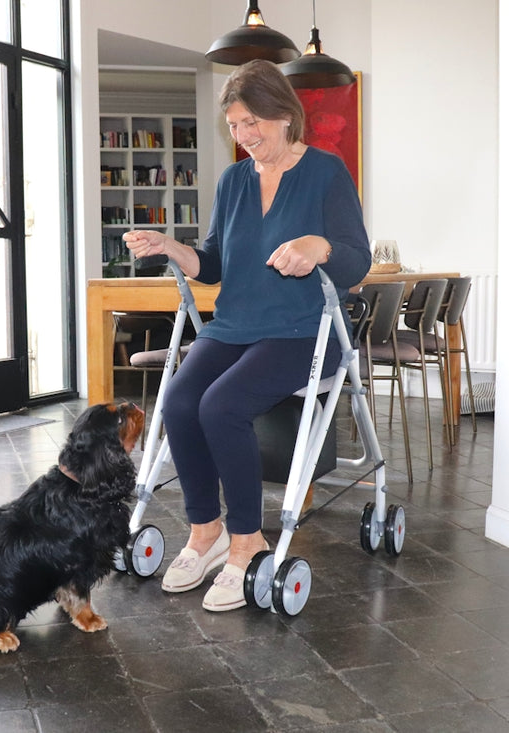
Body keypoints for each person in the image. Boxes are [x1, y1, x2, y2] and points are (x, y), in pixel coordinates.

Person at [122, 59, 371, 612]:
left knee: (223, 405)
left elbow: (358, 258)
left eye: (253, 121)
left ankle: (247, 540)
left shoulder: (326, 173)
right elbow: (211, 265)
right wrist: (171, 247)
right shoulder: (233, 181)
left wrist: (319, 247)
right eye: (235, 125)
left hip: (304, 329)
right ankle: (205, 531)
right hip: (235, 325)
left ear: (285, 115)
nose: (245, 135)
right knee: (181, 401)